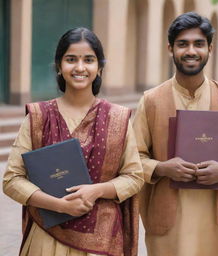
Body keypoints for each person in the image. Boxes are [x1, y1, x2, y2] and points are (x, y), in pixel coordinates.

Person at [3, 27, 144, 256]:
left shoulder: (117, 118)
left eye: (88, 60)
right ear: (59, 66)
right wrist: (59, 205)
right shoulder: (39, 117)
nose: (80, 68)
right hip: (46, 239)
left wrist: (96, 191)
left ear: (99, 68)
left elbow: (134, 177)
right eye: (71, 59)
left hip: (101, 242)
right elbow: (12, 179)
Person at [133, 12, 218, 256]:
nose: (191, 51)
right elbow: (132, 158)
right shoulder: (151, 101)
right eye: (183, 44)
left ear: (210, 48)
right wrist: (162, 168)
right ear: (170, 48)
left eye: (199, 44)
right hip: (169, 223)